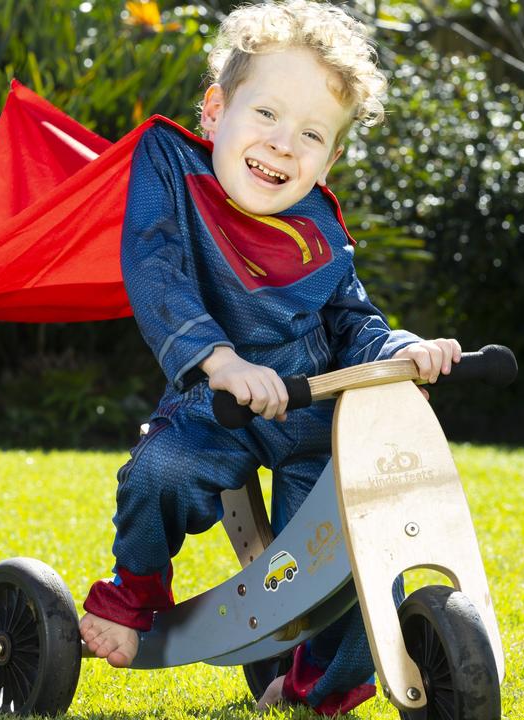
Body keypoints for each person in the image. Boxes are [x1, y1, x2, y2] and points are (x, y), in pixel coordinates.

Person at [78, 1, 462, 714]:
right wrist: (219, 361)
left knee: (350, 542)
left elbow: (353, 320)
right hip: (215, 401)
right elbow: (156, 270)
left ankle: (322, 679)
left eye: (311, 134)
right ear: (216, 111)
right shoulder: (172, 173)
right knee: (160, 470)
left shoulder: (321, 228)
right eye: (266, 116)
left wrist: (406, 349)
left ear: (331, 157)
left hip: (312, 412)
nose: (284, 145)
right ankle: (137, 587)